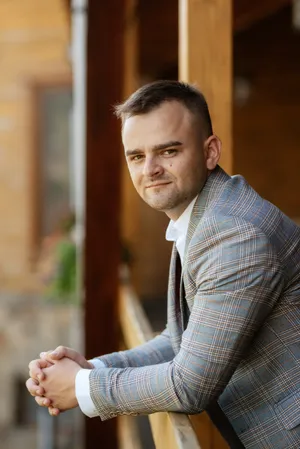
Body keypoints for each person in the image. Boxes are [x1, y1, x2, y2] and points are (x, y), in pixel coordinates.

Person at [26, 80, 300, 449]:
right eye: (136, 156)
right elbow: (179, 339)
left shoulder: (234, 235)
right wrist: (94, 369)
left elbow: (190, 386)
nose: (150, 169)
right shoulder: (203, 215)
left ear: (210, 151)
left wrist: (79, 387)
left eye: (168, 151)